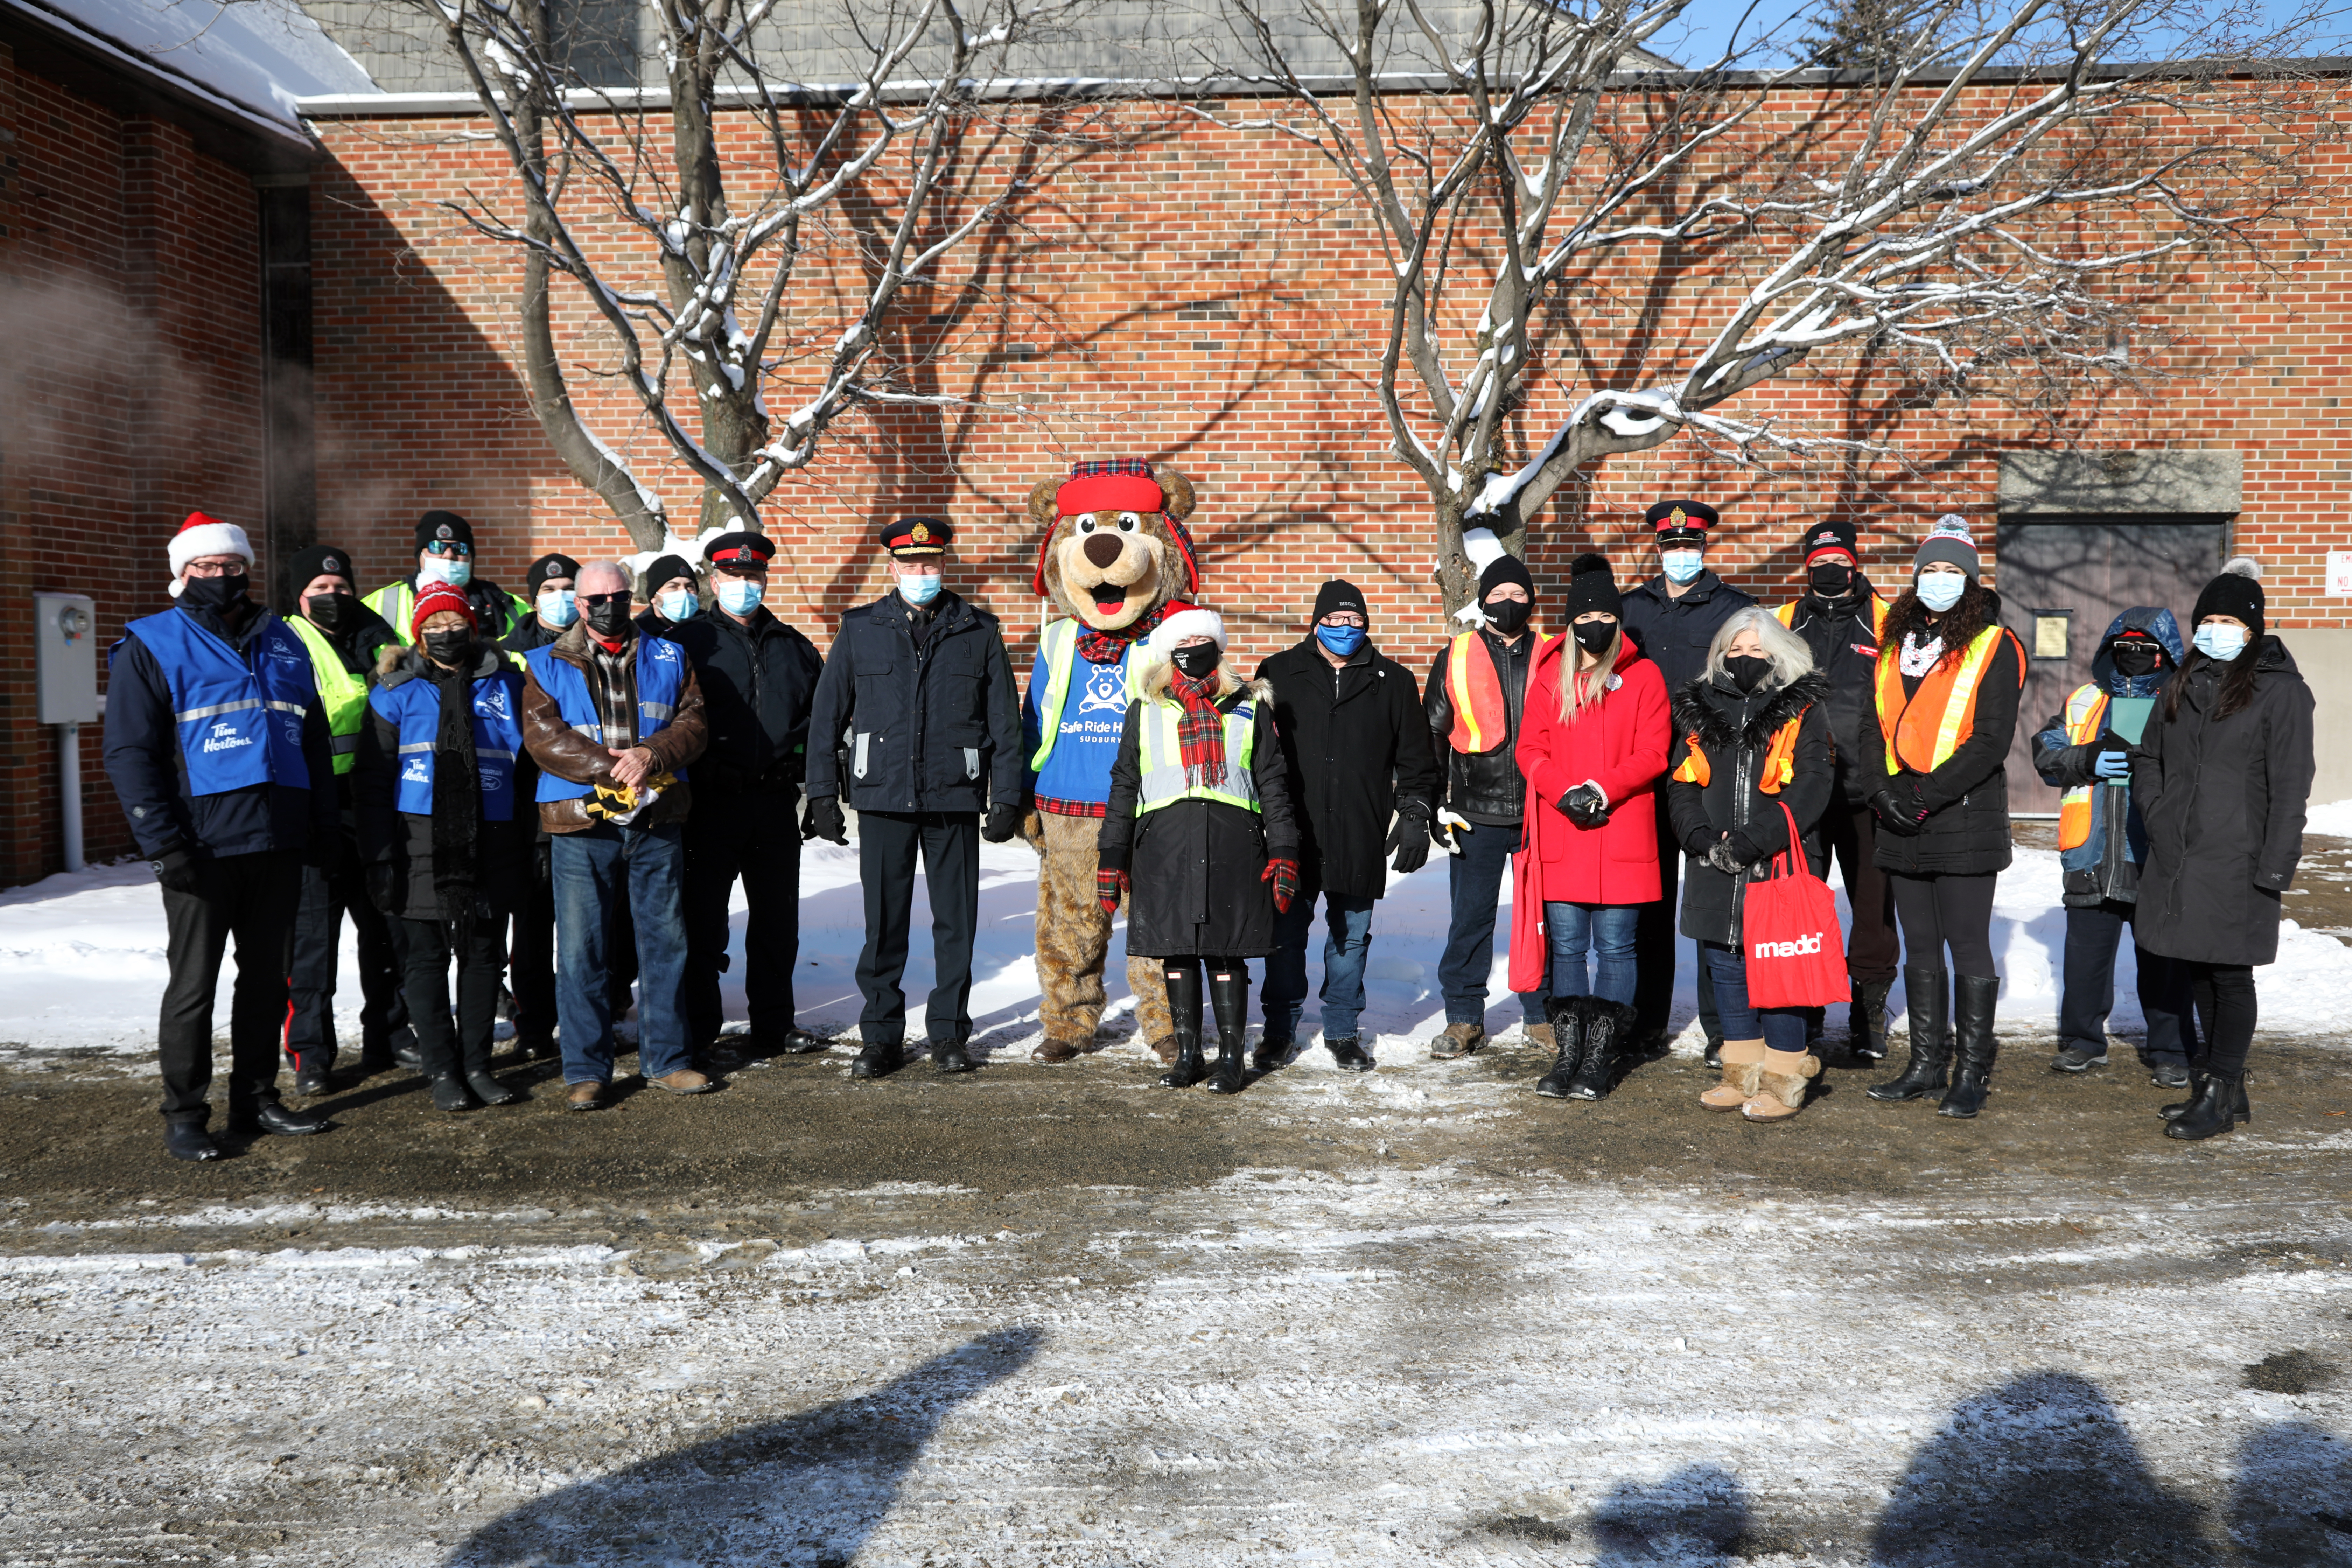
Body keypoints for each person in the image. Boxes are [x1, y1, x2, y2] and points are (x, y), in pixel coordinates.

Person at [104, 512, 336, 1161]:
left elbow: (309, 738)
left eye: (233, 567)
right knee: (194, 987)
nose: (223, 577)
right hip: (201, 849)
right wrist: (162, 842)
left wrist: (319, 824)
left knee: (267, 981)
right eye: (207, 567)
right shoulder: (151, 643)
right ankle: (184, 1113)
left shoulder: (284, 639)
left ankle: (256, 1098)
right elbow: (129, 753)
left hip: (279, 841)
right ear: (181, 575)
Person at [803, 518, 1024, 1078]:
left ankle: (950, 1034)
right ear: (893, 567)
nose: (920, 574)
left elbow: (1005, 722)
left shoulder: (978, 630)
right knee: (885, 926)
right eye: (910, 565)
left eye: (929, 564)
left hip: (952, 797)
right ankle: (881, 1037)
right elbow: (826, 718)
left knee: (957, 925)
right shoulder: (860, 629)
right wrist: (824, 794)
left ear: (944, 565)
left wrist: (1006, 799)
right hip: (882, 799)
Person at [519, 560, 711, 1109]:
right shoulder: (543, 663)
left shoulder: (671, 655)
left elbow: (693, 721)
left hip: (657, 815)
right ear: (579, 605)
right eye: (595, 598)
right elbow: (543, 736)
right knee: (582, 949)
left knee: (665, 942)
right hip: (581, 822)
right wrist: (612, 768)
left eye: (618, 595)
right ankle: (586, 1069)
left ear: (631, 597)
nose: (608, 606)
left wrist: (651, 754)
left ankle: (669, 1061)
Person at [2133, 561, 2314, 1141]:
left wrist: (2276, 864)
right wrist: (2158, 815)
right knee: (2200, 975)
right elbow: (2149, 760)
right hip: (2181, 856)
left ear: (2253, 628)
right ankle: (2223, 1091)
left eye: (2229, 620)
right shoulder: (2181, 683)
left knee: (2232, 979)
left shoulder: (2282, 693)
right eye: (2208, 619)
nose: (2216, 629)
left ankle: (2220, 1087)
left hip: (2240, 859)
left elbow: (2292, 786)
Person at [1861, 516, 2027, 1120]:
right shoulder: (1894, 641)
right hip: (1901, 813)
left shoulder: (1994, 643)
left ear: (1972, 580)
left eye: (1950, 571)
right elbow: (1870, 724)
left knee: (1966, 943)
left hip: (1960, 813)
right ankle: (1927, 1064)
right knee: (1921, 944)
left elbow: (1990, 741)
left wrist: (1925, 795)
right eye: (1929, 569)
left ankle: (1971, 1071)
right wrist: (1882, 792)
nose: (1938, 580)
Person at [1097, 610, 1301, 1092]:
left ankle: (1232, 1057)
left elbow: (1273, 781)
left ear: (1218, 647)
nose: (1193, 645)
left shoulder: (1251, 706)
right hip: (1163, 848)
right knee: (1177, 951)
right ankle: (1188, 1054)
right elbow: (1125, 784)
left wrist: (1285, 847)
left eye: (1201, 638)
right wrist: (1112, 855)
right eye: (1183, 640)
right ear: (1169, 652)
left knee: (1227, 952)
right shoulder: (1145, 709)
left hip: (1234, 845)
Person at [356, 583, 532, 1111]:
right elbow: (371, 782)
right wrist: (380, 856)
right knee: (426, 961)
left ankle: (478, 1065)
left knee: (483, 957)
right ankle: (443, 1069)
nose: (445, 635)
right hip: (420, 839)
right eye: (432, 628)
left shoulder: (511, 686)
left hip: (494, 836)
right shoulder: (393, 693)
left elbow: (527, 769)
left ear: (472, 628)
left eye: (454, 625)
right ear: (418, 634)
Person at [1255, 579, 1440, 1072]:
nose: (1345, 628)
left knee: (1351, 937)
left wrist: (1418, 813)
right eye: (1335, 620)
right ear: (1316, 622)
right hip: (1292, 833)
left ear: (1366, 624)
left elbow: (1418, 762)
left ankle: (1341, 1031)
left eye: (1355, 620)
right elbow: (1256, 755)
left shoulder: (1394, 682)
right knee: (1286, 935)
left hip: (1360, 830)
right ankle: (1279, 1029)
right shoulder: (1278, 674)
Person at [1511, 554, 1670, 1099]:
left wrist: (1603, 789)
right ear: (1572, 622)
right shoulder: (1551, 678)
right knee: (1570, 947)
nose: (1594, 626)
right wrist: (1564, 792)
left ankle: (1601, 1057)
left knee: (1618, 948)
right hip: (1564, 830)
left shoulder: (1644, 676)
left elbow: (1655, 752)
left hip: (1621, 827)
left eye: (1605, 616)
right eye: (1585, 618)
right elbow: (1529, 748)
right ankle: (1569, 1054)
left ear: (1617, 620)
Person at [1667, 608, 1834, 1122]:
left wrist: (1753, 842)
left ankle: (1785, 1077)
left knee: (1778, 970)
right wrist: (1698, 836)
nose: (1745, 659)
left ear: (1778, 654)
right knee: (1726, 967)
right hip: (1712, 860)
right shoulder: (1699, 708)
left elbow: (1812, 785)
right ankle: (1741, 1071)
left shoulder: (1802, 707)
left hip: (1776, 860)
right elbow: (1682, 781)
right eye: (1734, 651)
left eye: (1756, 651)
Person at [668, 531, 827, 1059]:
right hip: (710, 805)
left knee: (777, 924)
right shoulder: (687, 644)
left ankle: (775, 1025)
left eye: (752, 577)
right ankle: (699, 1029)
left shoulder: (793, 646)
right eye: (733, 577)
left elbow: (819, 724)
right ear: (714, 582)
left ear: (765, 581)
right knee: (703, 923)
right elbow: (667, 719)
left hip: (775, 804)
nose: (743, 585)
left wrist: (813, 783)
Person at [2031, 608, 2191, 1085]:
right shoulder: (2085, 701)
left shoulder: (2182, 702)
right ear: (2109, 650)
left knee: (2165, 963)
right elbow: (2046, 754)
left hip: (2157, 856)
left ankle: (2171, 1051)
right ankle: (2082, 1043)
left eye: (2146, 649)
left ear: (2165, 655)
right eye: (2125, 648)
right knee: (2085, 960)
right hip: (2091, 853)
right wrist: (2089, 758)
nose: (2135, 657)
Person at [1619, 499, 1754, 1061]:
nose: (1680, 554)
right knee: (1648, 902)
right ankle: (1647, 1020)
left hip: (1708, 773)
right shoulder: (1631, 609)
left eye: (1689, 545)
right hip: (1646, 769)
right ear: (1658, 549)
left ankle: (1722, 1027)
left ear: (1704, 548)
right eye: (1671, 546)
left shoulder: (1736, 610)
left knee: (1711, 897)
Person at [278, 542, 413, 1093]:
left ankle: (391, 1034)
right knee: (313, 939)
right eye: (320, 591)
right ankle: (311, 1052)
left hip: (377, 802)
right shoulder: (283, 644)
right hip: (316, 805)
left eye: (341, 589)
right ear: (300, 596)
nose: (333, 598)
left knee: (387, 928)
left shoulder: (382, 641)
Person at [1772, 519, 1899, 1061]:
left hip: (1869, 790)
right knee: (1804, 908)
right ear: (1808, 568)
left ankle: (1868, 1013)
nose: (1830, 571)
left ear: (1855, 564)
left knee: (1873, 910)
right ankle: (1806, 1008)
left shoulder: (1888, 622)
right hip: (1802, 791)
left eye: (1840, 562)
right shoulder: (1783, 621)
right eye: (1820, 563)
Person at [1422, 550, 1554, 1060]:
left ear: (1532, 600)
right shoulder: (1455, 654)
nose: (1508, 602)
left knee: (1540, 920)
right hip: (1475, 812)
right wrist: (1435, 802)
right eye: (1498, 595)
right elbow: (1433, 730)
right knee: (1471, 919)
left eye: (1518, 593)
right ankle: (1463, 1017)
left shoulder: (1555, 652)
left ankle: (1541, 1015)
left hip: (1544, 813)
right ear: (1483, 602)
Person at [499, 551, 585, 1062]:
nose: (561, 598)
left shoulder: (594, 646)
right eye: (549, 590)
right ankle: (533, 1023)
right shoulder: (507, 655)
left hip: (587, 804)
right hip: (528, 812)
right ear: (532, 599)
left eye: (569, 588)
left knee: (590, 923)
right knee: (533, 927)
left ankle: (590, 1011)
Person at [364, 510, 529, 645]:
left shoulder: (508, 606)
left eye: (460, 548)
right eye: (437, 547)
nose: (449, 555)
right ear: (420, 555)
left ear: (471, 557)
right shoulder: (380, 603)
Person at [503, 552, 581, 655]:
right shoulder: (505, 650)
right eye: (549, 590)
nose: (560, 595)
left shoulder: (600, 642)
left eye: (569, 589)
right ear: (535, 601)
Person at [637, 553, 700, 639]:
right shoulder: (637, 634)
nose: (684, 592)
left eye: (690, 586)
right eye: (673, 587)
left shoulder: (713, 628)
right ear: (653, 597)